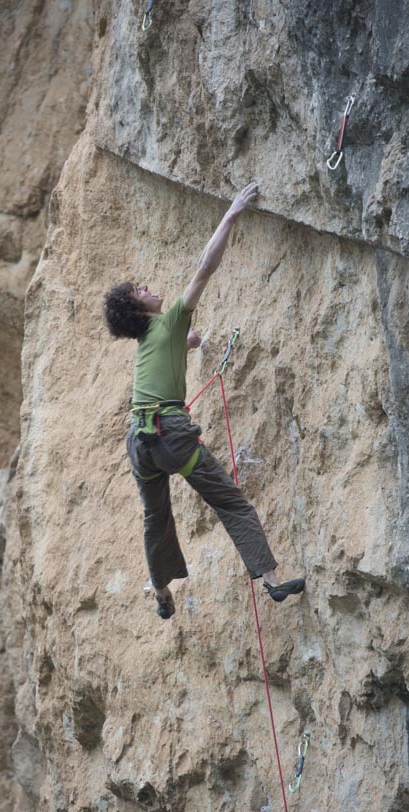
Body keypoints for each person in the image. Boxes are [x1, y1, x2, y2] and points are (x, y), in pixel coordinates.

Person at [104, 182, 305, 619]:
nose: (146, 286)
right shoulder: (167, 321)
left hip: (140, 444)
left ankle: (160, 590)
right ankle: (270, 580)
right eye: (140, 291)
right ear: (140, 311)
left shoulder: (150, 341)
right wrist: (231, 213)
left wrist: (191, 342)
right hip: (173, 438)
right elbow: (204, 268)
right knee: (230, 502)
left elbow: (172, 348)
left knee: (156, 519)